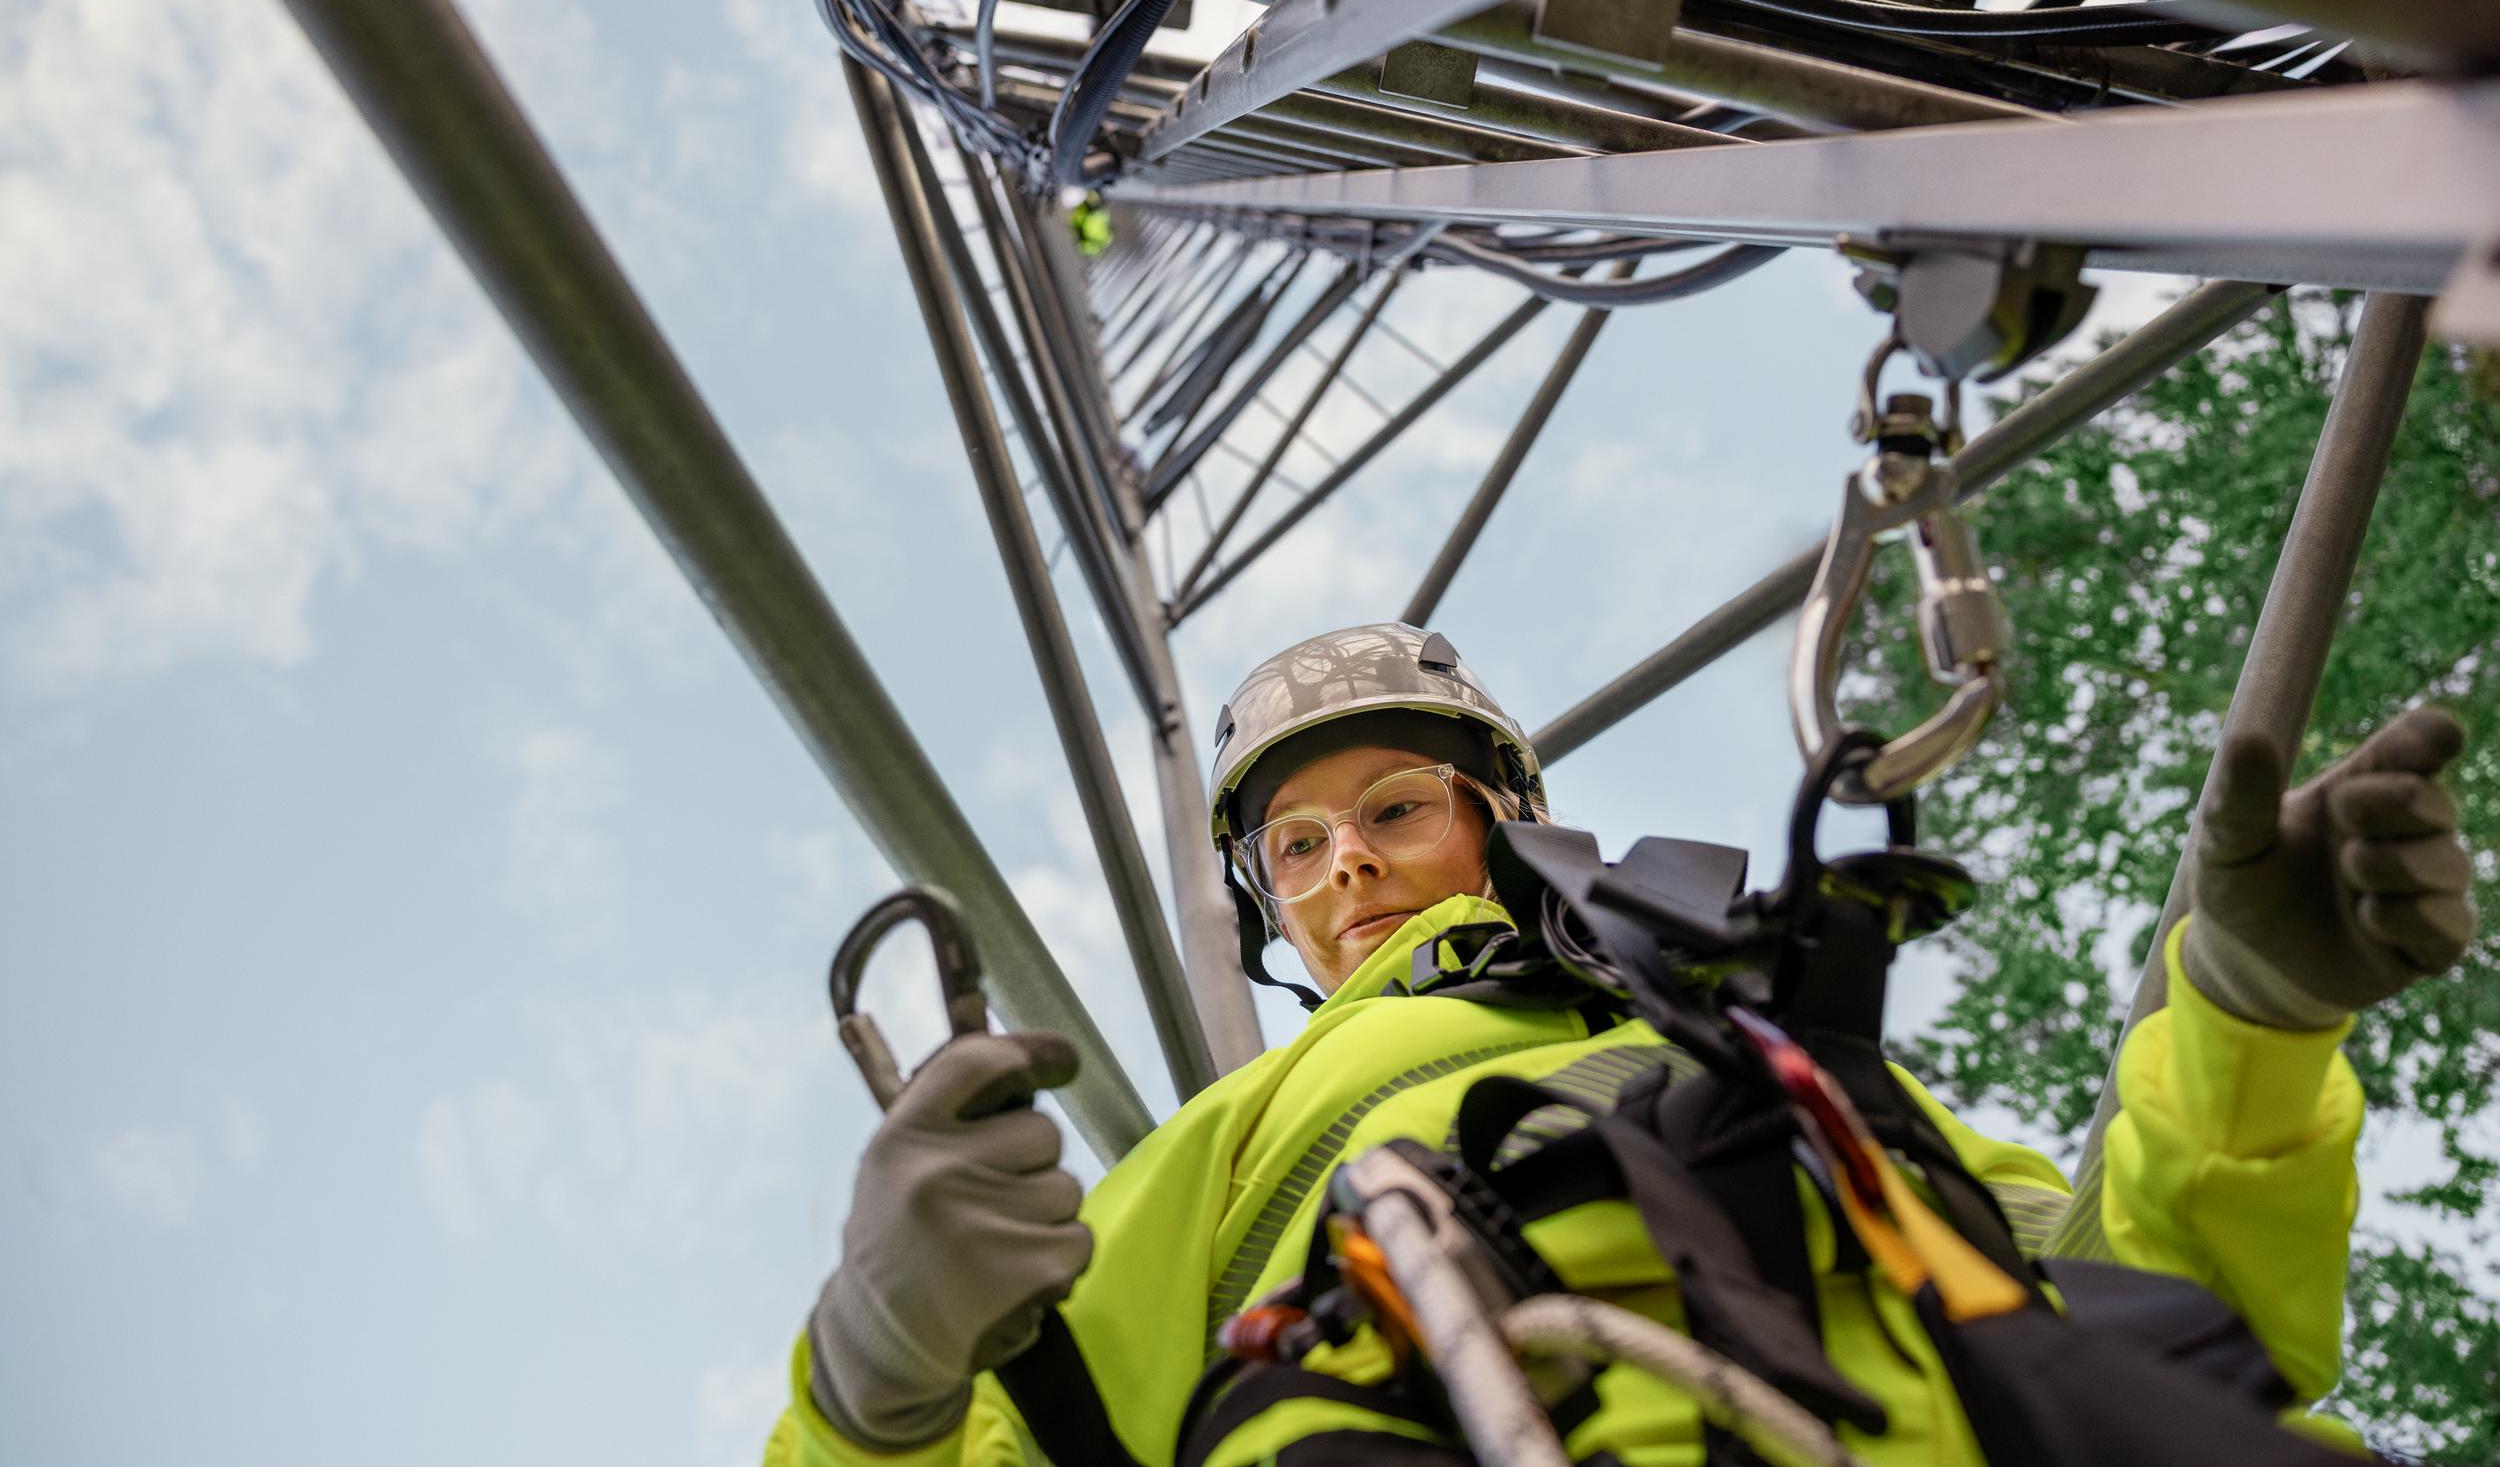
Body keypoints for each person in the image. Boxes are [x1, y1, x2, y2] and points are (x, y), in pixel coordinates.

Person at [767, 622, 2479, 1467]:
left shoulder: (1769, 1038)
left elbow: (2161, 1317)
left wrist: (2246, 1020)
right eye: (1295, 848)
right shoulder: (1222, 1145)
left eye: (1393, 807)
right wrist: (879, 1378)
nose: (1344, 864)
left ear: (1504, 819)